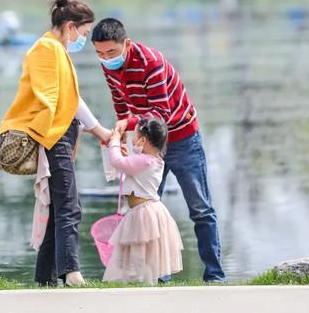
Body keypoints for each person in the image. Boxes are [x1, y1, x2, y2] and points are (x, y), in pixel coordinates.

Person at [91, 17, 226, 282]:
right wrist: (125, 138)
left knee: (200, 208)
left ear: (126, 44)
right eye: (99, 53)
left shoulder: (150, 62)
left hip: (183, 137)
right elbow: (120, 103)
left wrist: (124, 125)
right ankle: (156, 278)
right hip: (149, 143)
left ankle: (215, 276)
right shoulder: (109, 66)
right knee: (147, 209)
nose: (106, 58)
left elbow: (160, 114)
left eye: (111, 52)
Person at [0, 0, 111, 287]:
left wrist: (97, 130)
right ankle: (71, 272)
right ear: (70, 27)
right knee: (69, 205)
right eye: (84, 33)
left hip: (59, 134)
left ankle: (45, 278)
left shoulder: (56, 50)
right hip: (53, 135)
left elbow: (70, 100)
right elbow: (56, 99)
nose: (83, 39)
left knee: (58, 208)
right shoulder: (46, 49)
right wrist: (98, 130)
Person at [103, 117, 183, 285]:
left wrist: (115, 142)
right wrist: (126, 158)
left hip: (143, 214)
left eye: (135, 135)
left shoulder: (144, 160)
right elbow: (129, 167)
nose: (132, 139)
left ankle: (141, 284)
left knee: (139, 255)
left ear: (143, 140)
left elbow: (117, 161)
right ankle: (143, 283)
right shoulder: (153, 159)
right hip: (148, 210)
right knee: (145, 255)